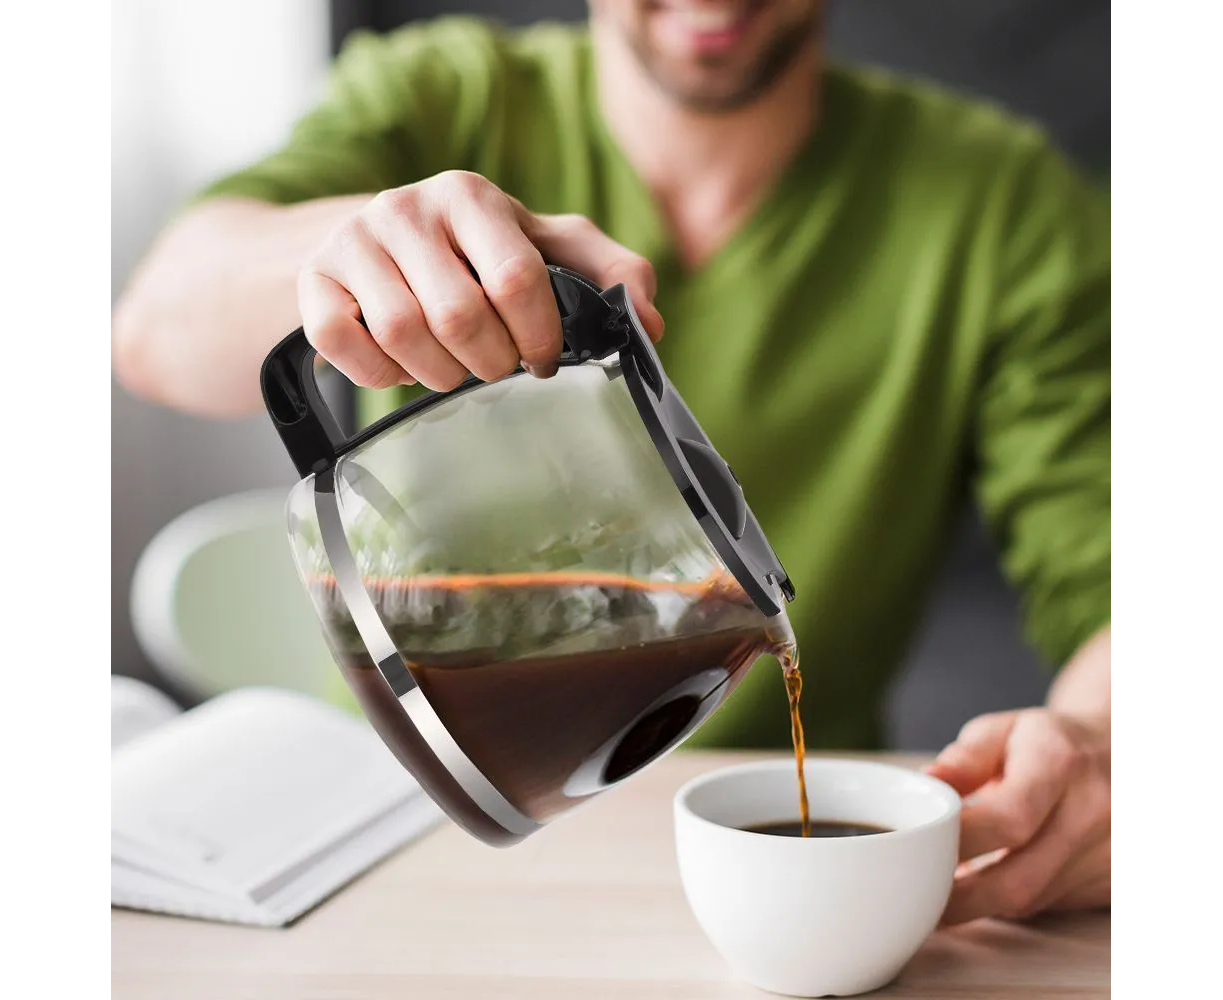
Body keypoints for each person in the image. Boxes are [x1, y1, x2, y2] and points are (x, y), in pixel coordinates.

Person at [112, 1, 1110, 925]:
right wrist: (341, 255)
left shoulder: (998, 204)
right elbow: (155, 330)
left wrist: (1101, 743)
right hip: (380, 851)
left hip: (790, 886)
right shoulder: (444, 97)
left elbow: (1112, 578)